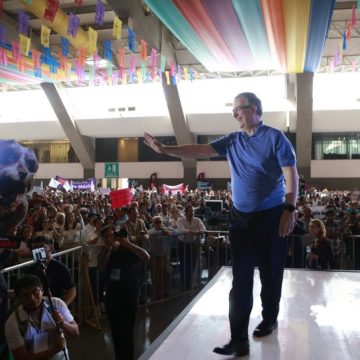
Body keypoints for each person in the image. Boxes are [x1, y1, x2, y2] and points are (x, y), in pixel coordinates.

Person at [144, 91, 298, 357]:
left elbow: (290, 173)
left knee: (271, 275)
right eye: (233, 109)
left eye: (238, 108)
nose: (234, 113)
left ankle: (269, 318)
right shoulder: (232, 140)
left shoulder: (275, 138)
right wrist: (166, 149)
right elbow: (199, 150)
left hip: (271, 216)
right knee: (240, 280)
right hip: (240, 219)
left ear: (254, 109)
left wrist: (290, 208)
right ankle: (239, 339)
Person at [98, 227, 150, 360]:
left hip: (129, 295)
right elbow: (101, 267)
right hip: (112, 296)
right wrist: (108, 249)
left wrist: (126, 243)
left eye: (112, 235)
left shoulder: (128, 249)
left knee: (127, 332)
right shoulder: (105, 252)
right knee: (116, 332)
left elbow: (146, 257)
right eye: (107, 236)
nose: (111, 238)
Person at [5, 274, 79, 360]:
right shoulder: (13, 323)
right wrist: (54, 350)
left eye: (35, 292)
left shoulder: (56, 304)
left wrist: (63, 323)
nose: (32, 298)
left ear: (42, 290)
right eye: (25, 295)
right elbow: (21, 357)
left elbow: (76, 332)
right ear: (18, 298)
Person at [26, 236, 77, 306]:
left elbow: (71, 289)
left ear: (51, 248)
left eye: (41, 247)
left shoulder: (60, 268)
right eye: (35, 248)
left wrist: (63, 306)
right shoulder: (30, 269)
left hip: (55, 305)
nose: (38, 250)